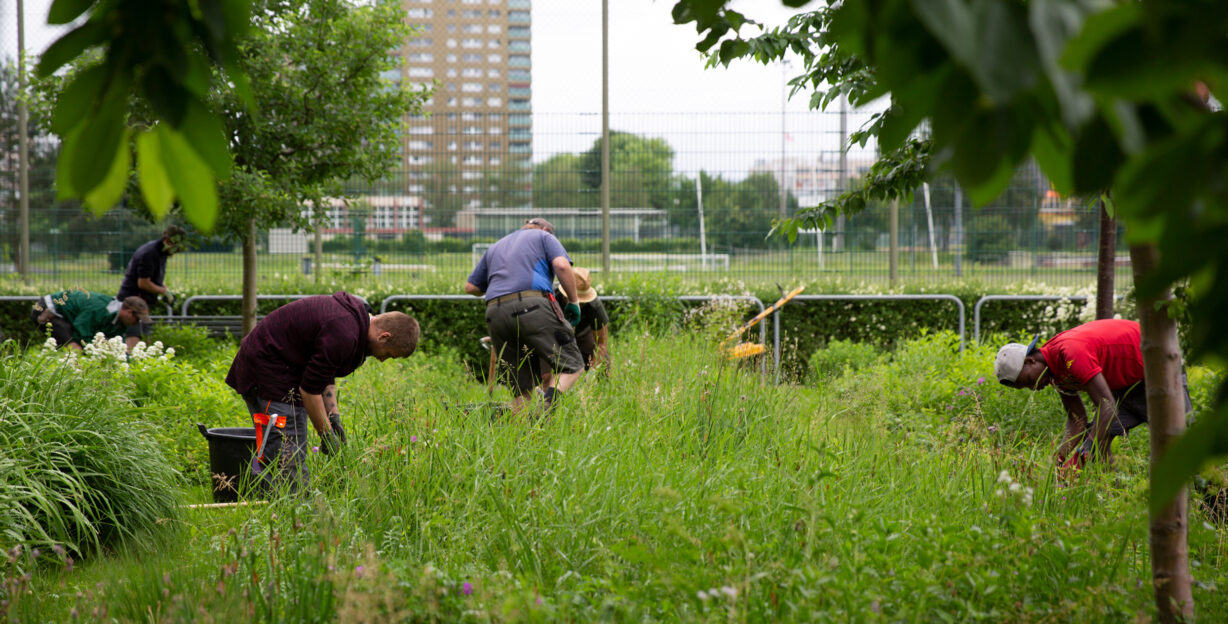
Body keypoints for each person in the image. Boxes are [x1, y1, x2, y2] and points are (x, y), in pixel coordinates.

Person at [224, 292, 420, 493]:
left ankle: (273, 499)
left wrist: (334, 417)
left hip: (280, 368)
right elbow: (309, 391)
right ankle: (298, 508)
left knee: (280, 447)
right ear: (384, 336)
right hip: (267, 372)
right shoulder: (345, 333)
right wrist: (326, 435)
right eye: (388, 354)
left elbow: (324, 374)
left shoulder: (355, 322)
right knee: (288, 452)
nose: (383, 360)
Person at [994, 318, 1191, 466]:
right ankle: (1115, 498)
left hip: (1159, 364)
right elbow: (1077, 419)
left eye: (1029, 381)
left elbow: (1107, 406)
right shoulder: (1054, 372)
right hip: (1127, 381)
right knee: (1099, 439)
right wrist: (1058, 461)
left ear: (1030, 361)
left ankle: (1208, 499)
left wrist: (1084, 452)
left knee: (1187, 444)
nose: (1034, 388)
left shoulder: (1070, 353)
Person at [464, 217, 585, 412]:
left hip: (495, 312)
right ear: (545, 229)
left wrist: (503, 285)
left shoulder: (496, 246)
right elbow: (562, 265)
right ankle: (546, 409)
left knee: (522, 389)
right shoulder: (544, 236)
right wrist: (573, 301)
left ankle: (522, 427)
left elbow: (471, 287)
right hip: (532, 305)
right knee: (572, 364)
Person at [541, 267, 609, 386]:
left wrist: (593, 371)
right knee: (545, 374)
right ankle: (546, 393)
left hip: (582, 334)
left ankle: (600, 392)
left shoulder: (594, 306)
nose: (580, 305)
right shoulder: (551, 298)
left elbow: (601, 343)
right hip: (551, 335)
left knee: (604, 364)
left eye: (583, 301)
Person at [30, 290, 152, 351]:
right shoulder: (101, 309)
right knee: (75, 348)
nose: (137, 323)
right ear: (129, 313)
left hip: (64, 316)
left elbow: (119, 347)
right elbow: (81, 330)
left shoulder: (118, 320)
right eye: (137, 319)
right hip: (47, 310)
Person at [117, 225, 187, 309]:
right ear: (167, 241)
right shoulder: (150, 253)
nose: (178, 251)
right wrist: (164, 291)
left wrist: (166, 291)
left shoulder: (162, 252)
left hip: (140, 301)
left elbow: (154, 277)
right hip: (133, 302)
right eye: (177, 247)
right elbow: (143, 283)